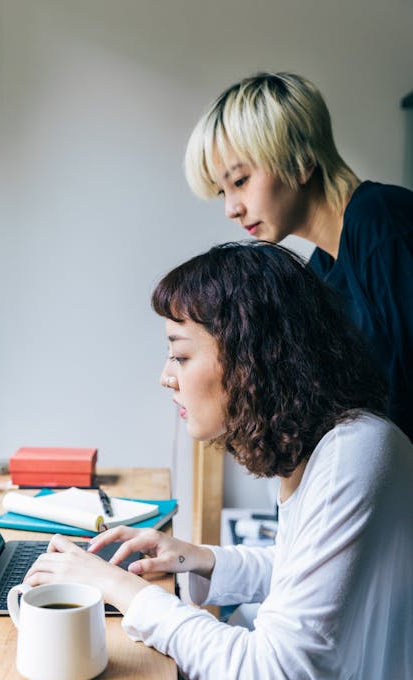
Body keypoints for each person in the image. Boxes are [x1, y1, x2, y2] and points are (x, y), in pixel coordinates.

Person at [25, 241, 413, 680]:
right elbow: (316, 578)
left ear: (254, 355)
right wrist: (198, 558)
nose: (166, 376)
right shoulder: (332, 445)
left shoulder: (355, 453)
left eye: (181, 354)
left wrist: (120, 589)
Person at [184, 72, 413, 441]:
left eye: (240, 181)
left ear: (302, 160)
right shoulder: (320, 273)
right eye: (221, 191)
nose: (231, 208)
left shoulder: (381, 222)